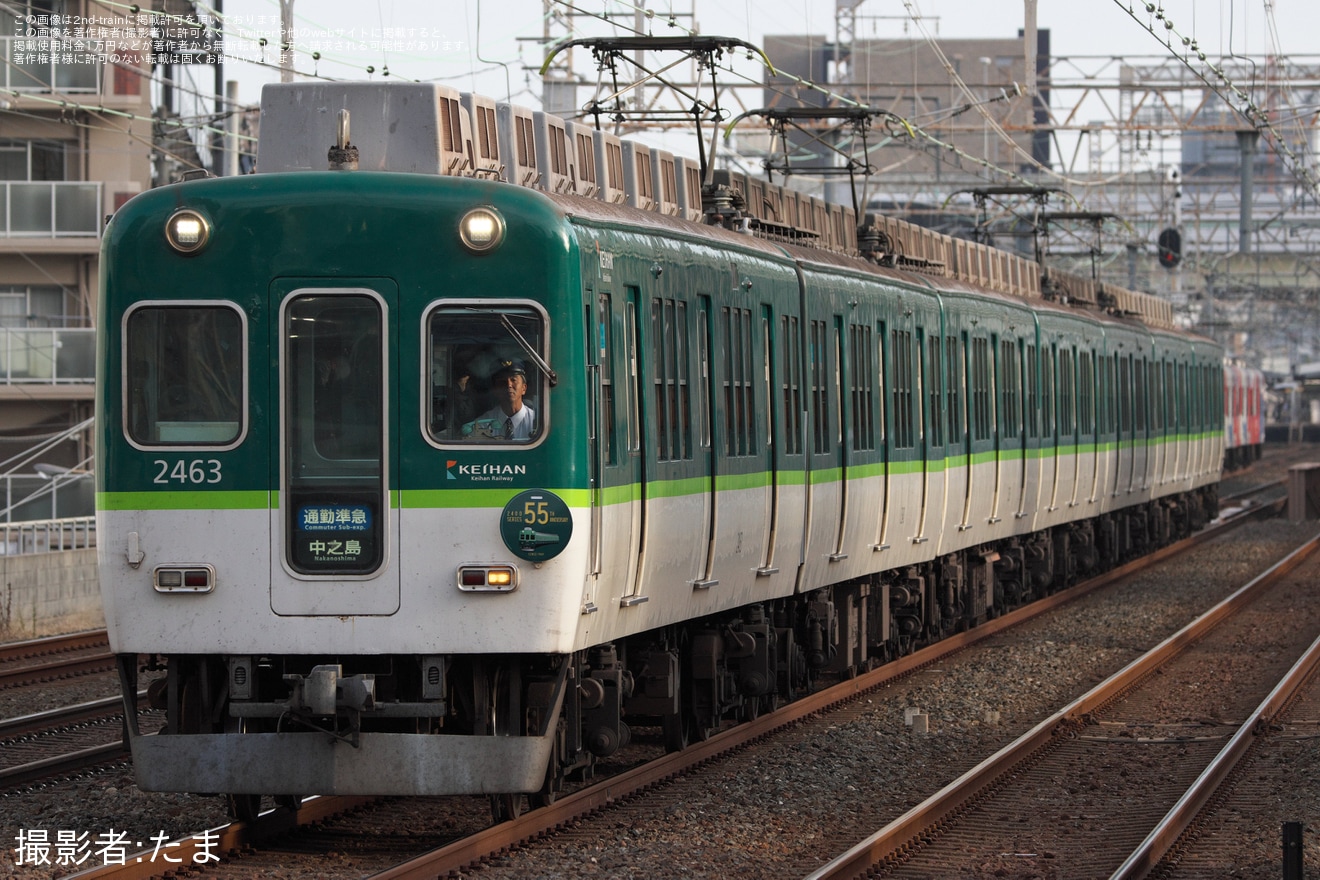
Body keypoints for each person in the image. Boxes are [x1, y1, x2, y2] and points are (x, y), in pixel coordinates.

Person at [463, 359, 537, 440]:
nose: (509, 385)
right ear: (495, 389)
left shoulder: (536, 423)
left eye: (513, 380)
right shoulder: (482, 425)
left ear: (524, 388)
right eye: (502, 381)